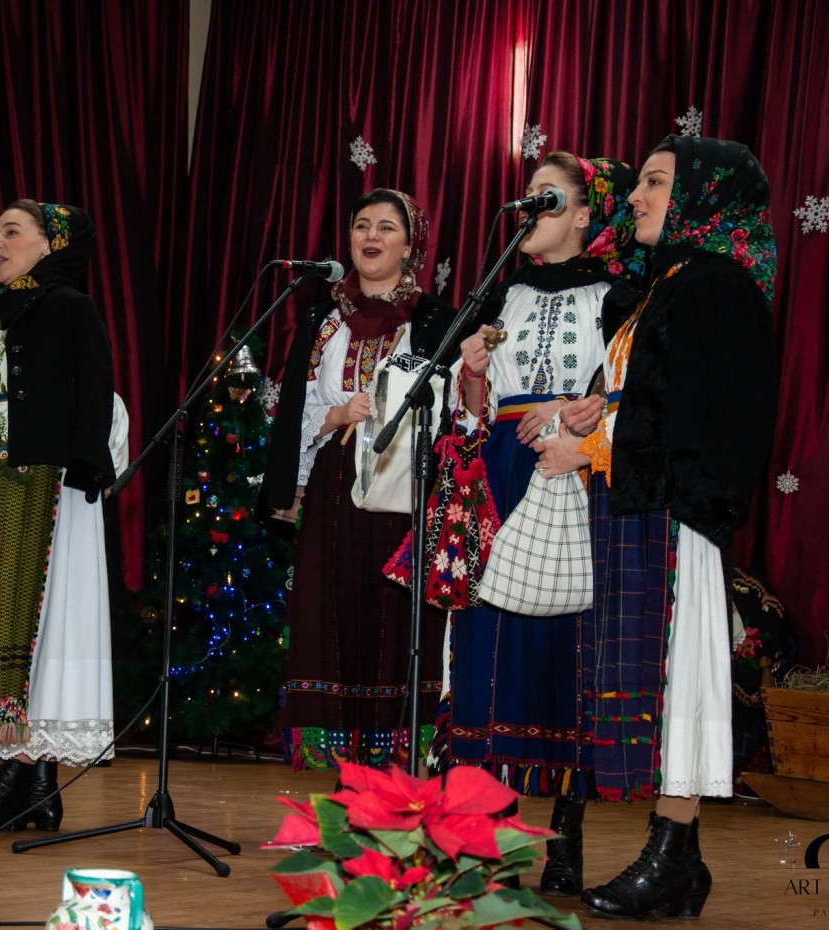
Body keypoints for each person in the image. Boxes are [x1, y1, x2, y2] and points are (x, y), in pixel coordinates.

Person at [536, 136, 778, 920]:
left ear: (704, 196)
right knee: (657, 685)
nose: (636, 197)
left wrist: (594, 449)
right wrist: (595, 411)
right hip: (638, 510)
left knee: (681, 682)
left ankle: (671, 853)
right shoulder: (664, 285)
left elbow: (706, 421)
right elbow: (650, 396)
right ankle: (681, 860)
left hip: (679, 520)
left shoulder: (717, 287)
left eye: (656, 183)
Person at [442, 153, 645, 897]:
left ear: (586, 214)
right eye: (529, 194)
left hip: (574, 471)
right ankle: (479, 835)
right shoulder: (504, 294)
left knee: (569, 650)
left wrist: (582, 416)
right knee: (488, 650)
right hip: (502, 471)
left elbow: (636, 394)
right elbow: (475, 410)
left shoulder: (618, 298)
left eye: (549, 196)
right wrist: (470, 372)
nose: (532, 205)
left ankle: (565, 834)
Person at [0, 200, 120, 833]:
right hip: (5, 491)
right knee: (18, 629)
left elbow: (92, 396)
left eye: (11, 232)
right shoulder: (9, 317)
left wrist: (82, 468)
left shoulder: (68, 307)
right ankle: (24, 777)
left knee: (46, 627)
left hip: (51, 494)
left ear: (51, 245)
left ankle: (34, 776)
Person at [265, 188, 458, 772]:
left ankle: (395, 762)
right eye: (361, 225)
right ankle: (342, 764)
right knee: (332, 614)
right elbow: (296, 410)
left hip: (405, 485)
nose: (371, 236)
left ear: (411, 245)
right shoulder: (323, 321)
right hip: (333, 485)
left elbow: (456, 412)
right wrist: (335, 415)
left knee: (393, 617)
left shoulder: (436, 321)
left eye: (386, 227)